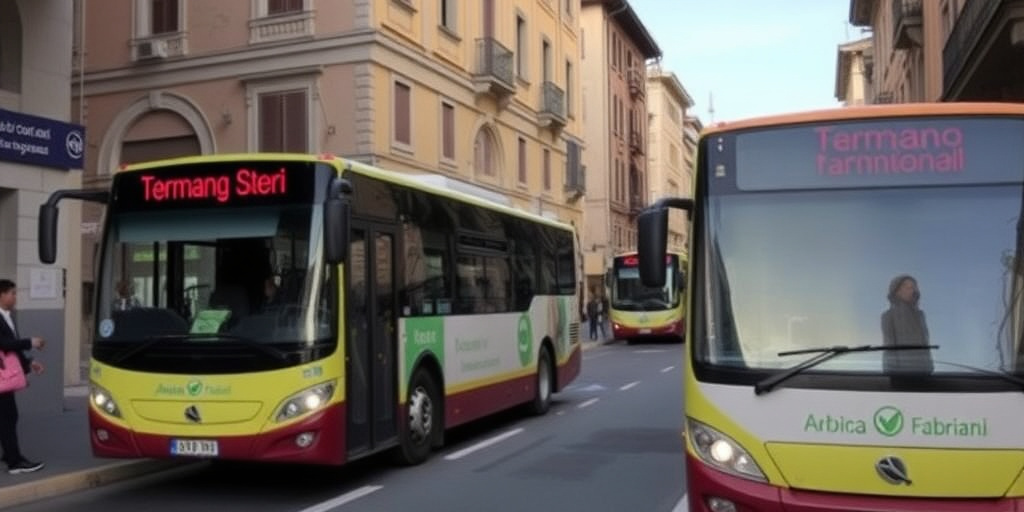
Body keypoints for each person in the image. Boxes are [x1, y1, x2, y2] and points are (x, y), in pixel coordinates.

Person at [0, 279, 45, 474]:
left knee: (8, 417)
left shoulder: (7, 316)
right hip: (1, 377)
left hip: (4, 375)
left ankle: (9, 454)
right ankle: (15, 462)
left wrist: (28, 363)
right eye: (12, 293)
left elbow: (11, 348)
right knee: (9, 417)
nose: (15, 297)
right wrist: (31, 342)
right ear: (1, 295)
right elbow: (5, 344)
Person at [880, 274, 934, 375]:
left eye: (913, 287)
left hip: (925, 373)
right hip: (901, 376)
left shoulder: (920, 316)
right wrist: (890, 373)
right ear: (897, 291)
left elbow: (925, 344)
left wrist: (929, 367)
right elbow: (889, 346)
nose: (911, 290)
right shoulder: (888, 316)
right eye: (906, 287)